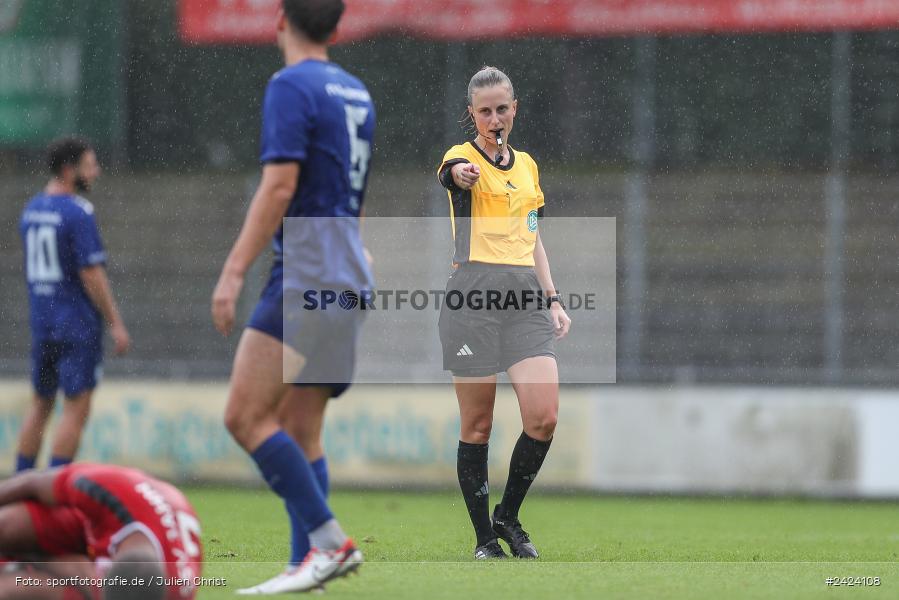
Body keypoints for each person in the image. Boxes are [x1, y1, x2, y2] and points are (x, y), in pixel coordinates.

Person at [211, 0, 374, 593]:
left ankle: (329, 545)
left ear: (279, 20)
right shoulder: (357, 92)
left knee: (244, 416)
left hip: (307, 270)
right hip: (350, 271)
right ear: (335, 28)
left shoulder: (289, 85)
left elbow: (280, 186)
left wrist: (233, 271)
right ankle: (304, 564)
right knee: (299, 427)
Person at [436, 67, 572, 560]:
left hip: (525, 301)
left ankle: (508, 516)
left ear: (515, 109)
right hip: (473, 297)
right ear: (471, 114)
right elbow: (450, 175)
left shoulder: (529, 166)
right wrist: (461, 176)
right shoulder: (461, 158)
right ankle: (483, 540)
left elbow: (533, 237)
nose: (495, 118)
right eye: (485, 111)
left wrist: (553, 298)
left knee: (544, 416)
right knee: (478, 426)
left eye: (502, 109)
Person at [16, 137, 131, 473]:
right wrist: (115, 323)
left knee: (40, 405)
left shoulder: (32, 210)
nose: (96, 172)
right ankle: (52, 489)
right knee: (76, 407)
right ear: (69, 171)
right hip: (76, 324)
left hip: (43, 323)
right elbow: (91, 273)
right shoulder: (78, 213)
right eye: (90, 165)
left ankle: (18, 490)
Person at [0, 463, 202, 600]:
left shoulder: (178, 590)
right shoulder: (108, 489)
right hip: (89, 522)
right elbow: (33, 483)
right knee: (7, 524)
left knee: (17, 588)